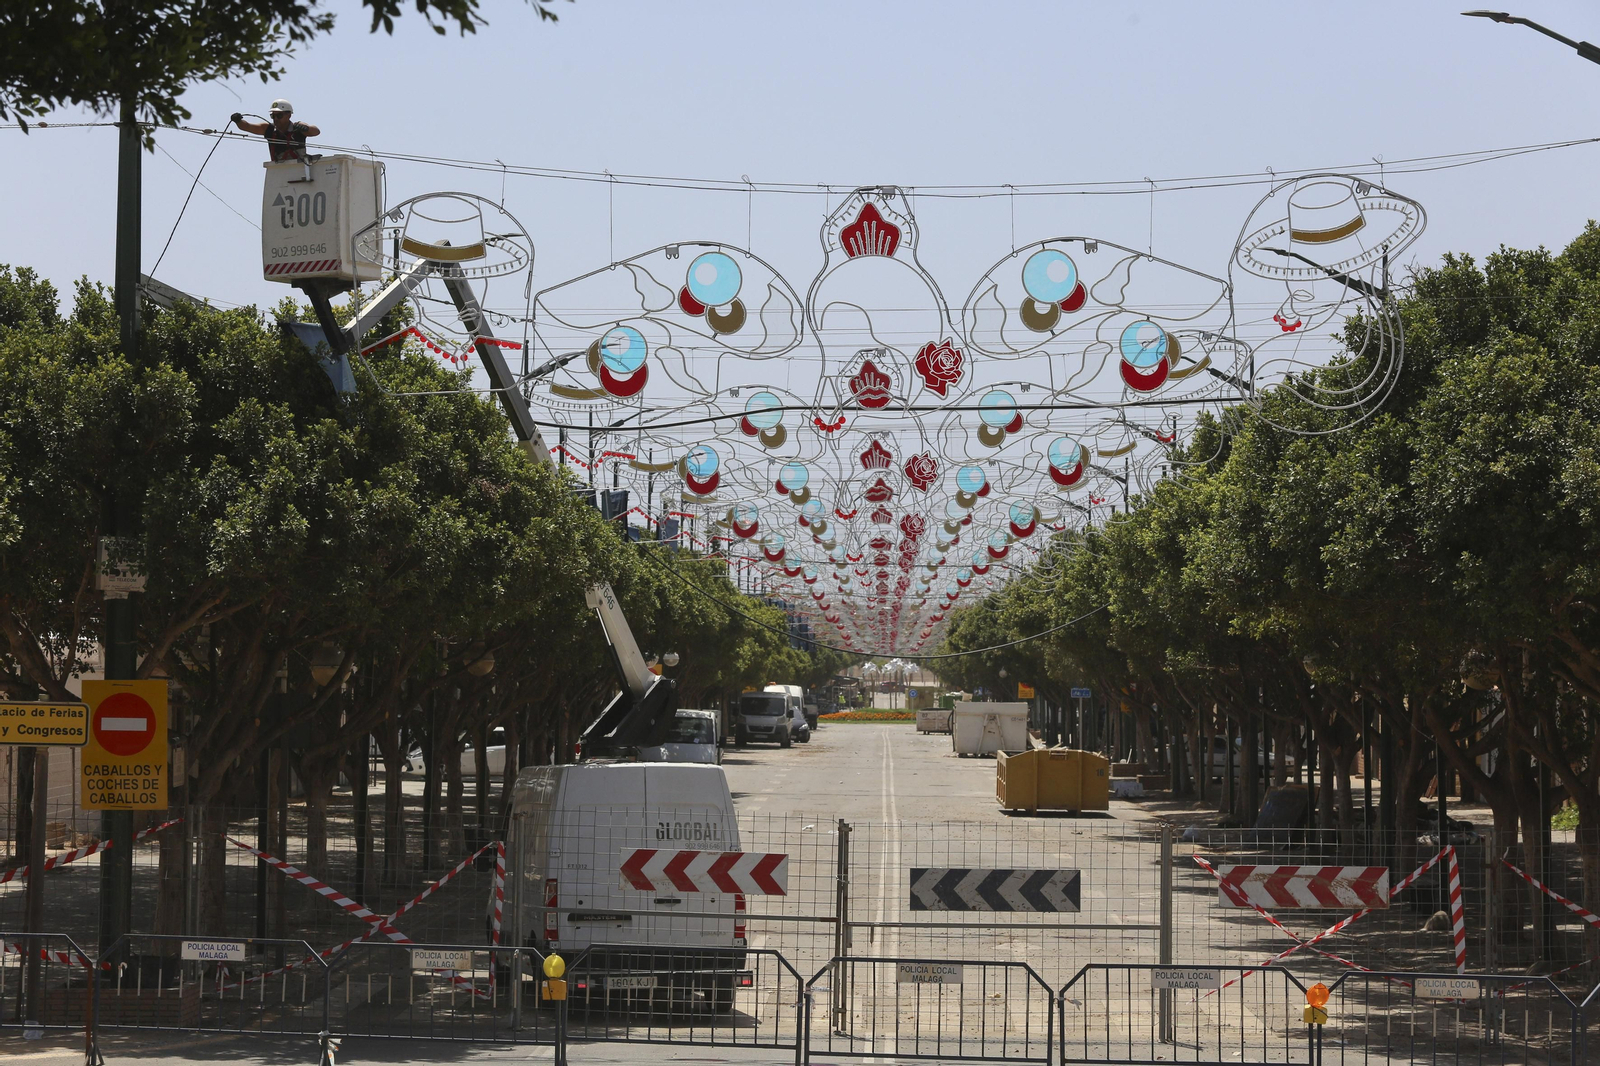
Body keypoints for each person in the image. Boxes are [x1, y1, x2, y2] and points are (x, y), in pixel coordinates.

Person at [231, 100, 320, 163]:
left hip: (299, 169)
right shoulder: (268, 129)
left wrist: (305, 128)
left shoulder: (297, 127)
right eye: (273, 116)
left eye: (279, 115)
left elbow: (316, 131)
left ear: (289, 115)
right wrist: (238, 121)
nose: (276, 119)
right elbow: (247, 127)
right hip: (278, 171)